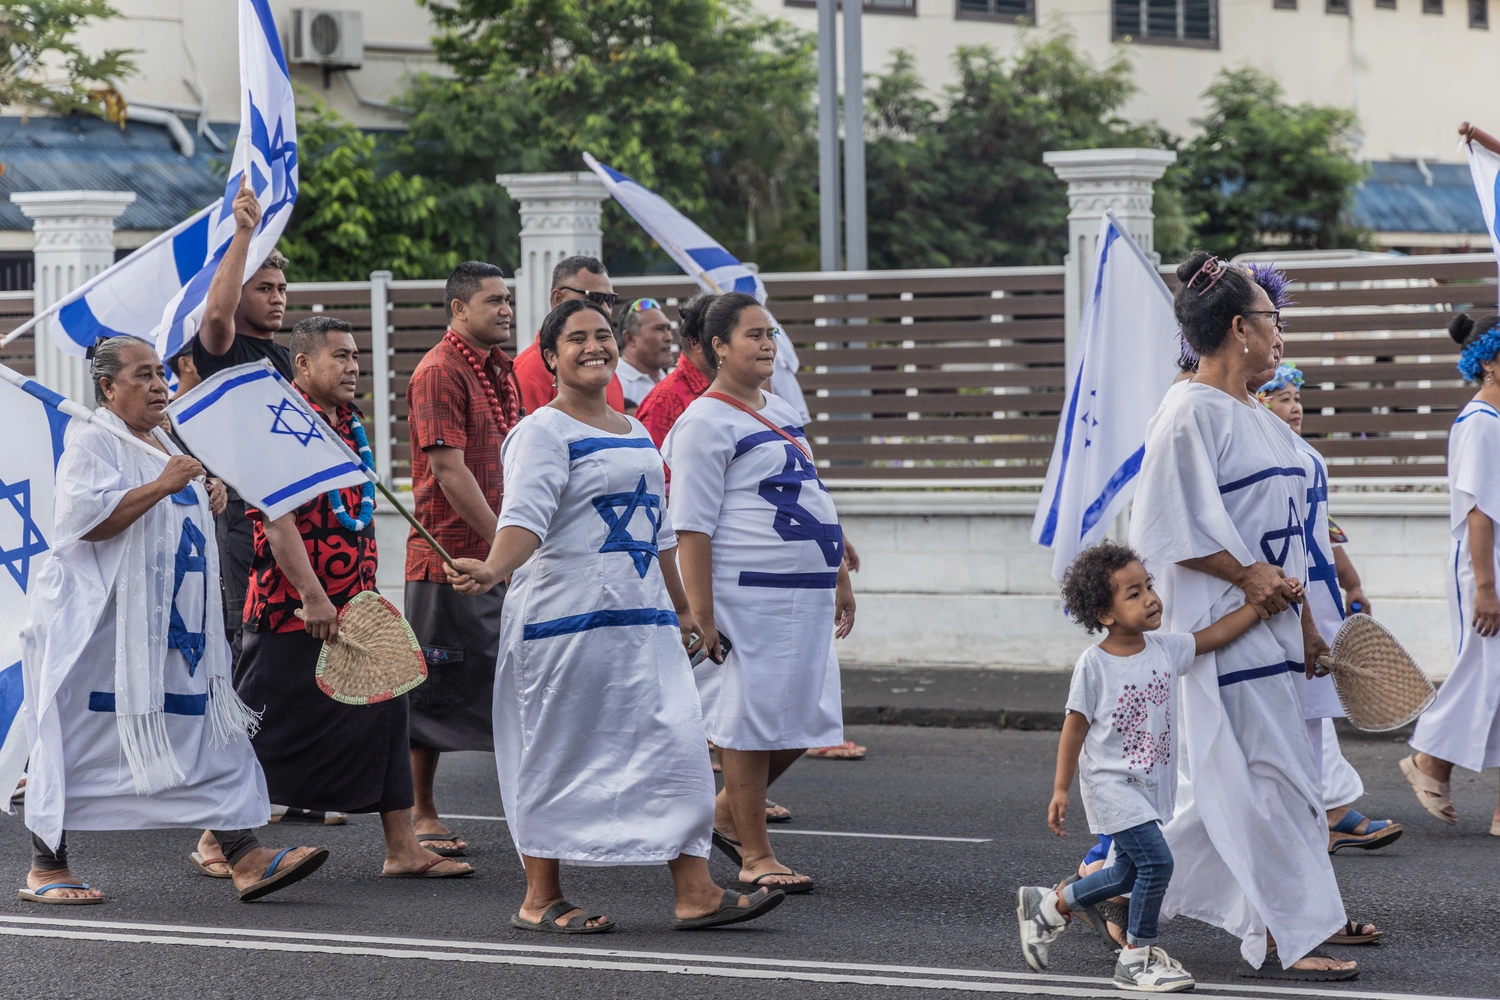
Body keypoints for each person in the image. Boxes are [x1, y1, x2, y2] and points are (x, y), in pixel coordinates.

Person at [444, 299, 783, 932]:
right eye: (577, 339)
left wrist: (685, 608)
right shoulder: (541, 433)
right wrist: (493, 568)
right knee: (560, 754)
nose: (594, 346)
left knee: (675, 747)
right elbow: (524, 521)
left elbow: (655, 532)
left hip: (643, 624)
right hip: (564, 627)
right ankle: (541, 897)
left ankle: (696, 891)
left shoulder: (638, 432)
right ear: (550, 357)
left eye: (603, 335)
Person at [1129, 252, 1368, 981]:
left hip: (1276, 636)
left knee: (1251, 788)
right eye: (1272, 320)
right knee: (1276, 787)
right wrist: (1244, 575)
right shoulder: (1186, 413)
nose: (1280, 333)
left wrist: (1306, 627)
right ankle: (1294, 934)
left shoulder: (1252, 416)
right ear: (1239, 327)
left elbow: (1292, 540)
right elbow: (1164, 528)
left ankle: (1107, 890)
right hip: (1227, 640)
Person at [19, 336, 325, 904]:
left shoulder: (161, 438)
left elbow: (172, 517)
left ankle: (244, 854)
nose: (160, 385)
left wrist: (205, 490)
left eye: (161, 373)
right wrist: (165, 484)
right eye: (143, 376)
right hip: (103, 639)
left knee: (209, 734)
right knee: (75, 742)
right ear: (108, 388)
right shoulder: (94, 440)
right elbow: (86, 522)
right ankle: (46, 865)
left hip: (175, 640)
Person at [231, 317, 473, 880]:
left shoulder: (347, 424)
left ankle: (402, 847)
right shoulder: (280, 424)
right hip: (292, 610)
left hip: (354, 604)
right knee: (265, 728)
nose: (352, 365)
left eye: (356, 355)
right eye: (339, 356)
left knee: (388, 706)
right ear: (304, 366)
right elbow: (277, 519)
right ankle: (222, 838)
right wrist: (314, 597)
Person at [664, 292, 856, 895]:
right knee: (747, 723)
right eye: (752, 334)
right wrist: (700, 611)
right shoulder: (702, 421)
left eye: (770, 332)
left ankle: (728, 810)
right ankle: (755, 855)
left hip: (804, 593)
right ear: (718, 347)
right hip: (748, 597)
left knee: (805, 719)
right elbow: (690, 524)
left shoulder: (780, 410)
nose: (767, 343)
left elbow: (809, 494)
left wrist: (838, 572)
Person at [1017, 541, 1266, 992]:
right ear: (1104, 613)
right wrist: (1060, 789)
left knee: (1125, 874)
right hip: (1113, 787)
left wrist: (1259, 604)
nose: (1151, 597)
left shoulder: (1165, 650)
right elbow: (1073, 729)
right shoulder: (1094, 665)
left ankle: (1051, 905)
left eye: (1148, 586)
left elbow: (1217, 635)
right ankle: (1137, 956)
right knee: (1158, 864)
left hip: (1152, 787)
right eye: (1134, 593)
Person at [1256, 360, 1401, 856]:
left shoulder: (1305, 453)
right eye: (1282, 397)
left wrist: (1351, 580)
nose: (1294, 407)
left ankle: (1325, 811)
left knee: (1313, 707)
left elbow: (1323, 528)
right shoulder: (1264, 453)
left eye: (1297, 398)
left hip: (1318, 598)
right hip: (1292, 599)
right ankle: (1322, 811)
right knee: (1292, 711)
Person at [403, 261, 523, 858]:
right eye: (493, 301)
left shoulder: (502, 370)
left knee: (510, 682)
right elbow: (449, 471)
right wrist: (508, 547)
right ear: (458, 309)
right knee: (434, 690)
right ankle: (420, 813)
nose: (505, 310)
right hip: (448, 559)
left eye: (508, 300)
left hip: (502, 556)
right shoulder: (437, 372)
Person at [1402, 311, 1500, 836]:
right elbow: (1479, 513)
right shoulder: (1480, 422)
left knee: (1494, 677)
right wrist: (1486, 588)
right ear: (1487, 361)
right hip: (1485, 569)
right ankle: (1428, 757)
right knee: (1483, 673)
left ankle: (1435, 762)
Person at [193, 180, 291, 671]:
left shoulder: (291, 358)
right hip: (243, 520)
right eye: (264, 289)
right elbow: (215, 312)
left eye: (281, 290)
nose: (277, 299)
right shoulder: (227, 354)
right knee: (248, 641)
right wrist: (244, 234)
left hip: (297, 518)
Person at [511, 256, 625, 414]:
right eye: (595, 298)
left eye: (610, 300)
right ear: (558, 298)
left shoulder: (603, 365)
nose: (605, 309)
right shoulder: (528, 372)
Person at [615, 297, 673, 414]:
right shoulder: (613, 383)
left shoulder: (670, 381)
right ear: (630, 338)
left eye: (668, 329)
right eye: (659, 329)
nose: (669, 337)